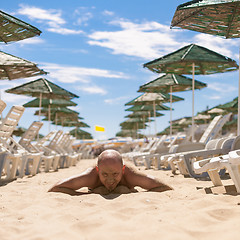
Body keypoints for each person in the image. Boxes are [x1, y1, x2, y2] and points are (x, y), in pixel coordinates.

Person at [48, 149, 173, 195]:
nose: (110, 180)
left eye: (115, 174)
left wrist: (134, 194)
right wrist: (84, 195)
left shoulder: (130, 175)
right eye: (105, 174)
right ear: (97, 170)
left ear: (123, 170)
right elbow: (55, 188)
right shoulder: (90, 176)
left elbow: (165, 187)